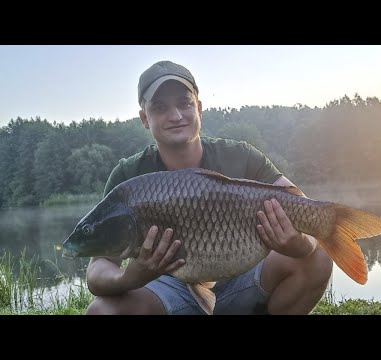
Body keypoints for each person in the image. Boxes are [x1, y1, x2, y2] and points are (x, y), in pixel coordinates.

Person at [85, 60, 333, 315]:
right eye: (160, 108)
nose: (175, 116)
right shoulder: (128, 175)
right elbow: (98, 267)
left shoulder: (241, 156)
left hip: (244, 277)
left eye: (184, 103)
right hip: (166, 289)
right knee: (101, 312)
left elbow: (304, 210)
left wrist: (300, 244)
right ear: (144, 118)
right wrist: (130, 278)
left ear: (199, 108)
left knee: (319, 255)